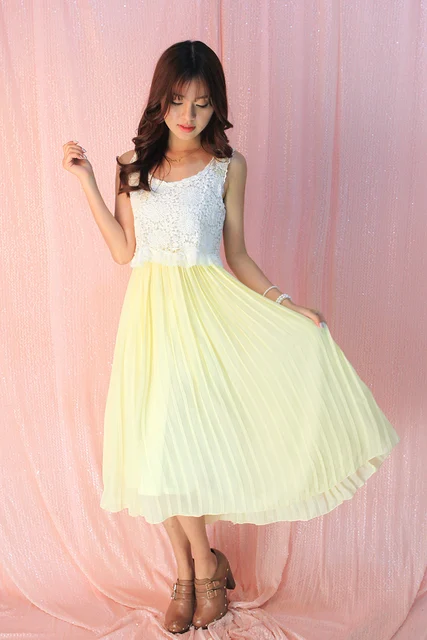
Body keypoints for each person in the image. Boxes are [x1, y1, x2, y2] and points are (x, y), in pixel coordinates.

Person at [62, 39, 400, 634]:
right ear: (159, 100)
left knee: (178, 447)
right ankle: (196, 567)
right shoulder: (131, 164)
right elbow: (123, 252)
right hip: (148, 322)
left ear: (217, 104)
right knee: (151, 450)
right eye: (177, 100)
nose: (188, 114)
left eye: (201, 102)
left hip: (205, 320)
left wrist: (285, 305)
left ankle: (200, 573)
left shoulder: (227, 166)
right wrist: (87, 181)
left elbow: (237, 254)